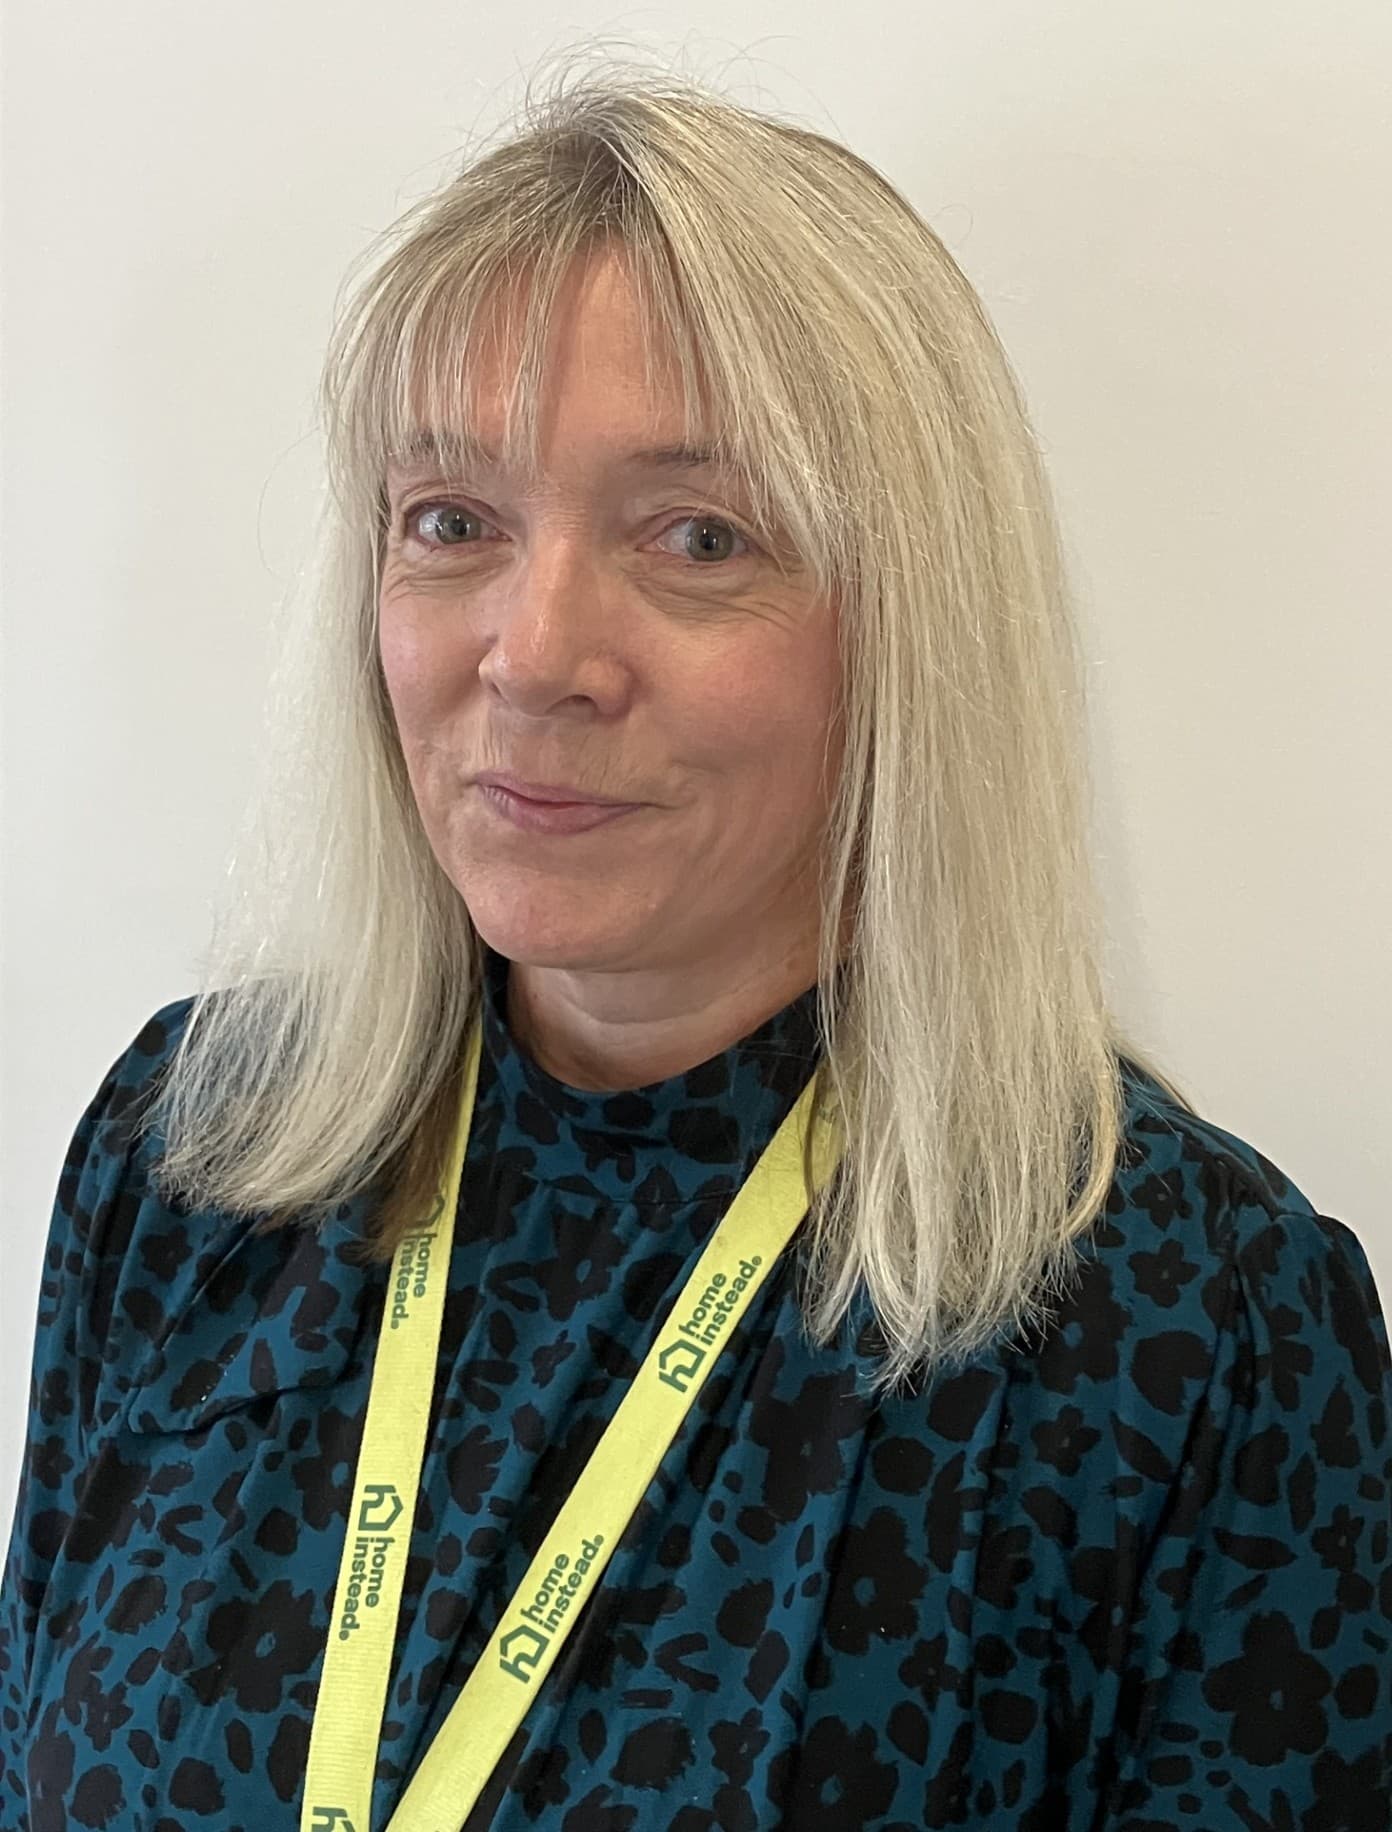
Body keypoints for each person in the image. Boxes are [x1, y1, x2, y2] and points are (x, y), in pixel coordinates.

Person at [2, 56, 1388, 1832]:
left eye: (698, 536)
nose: (535, 651)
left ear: (905, 634)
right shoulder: (185, 1159)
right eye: (452, 523)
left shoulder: (1191, 1331)